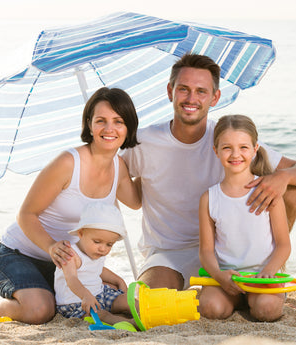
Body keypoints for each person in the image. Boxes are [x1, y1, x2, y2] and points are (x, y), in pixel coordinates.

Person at [0, 87, 141, 324]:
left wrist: (159, 159)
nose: (109, 128)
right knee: (40, 311)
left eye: (118, 121)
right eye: (101, 120)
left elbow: (136, 202)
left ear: (129, 127)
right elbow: (26, 214)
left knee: (107, 295)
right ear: (89, 124)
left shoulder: (119, 167)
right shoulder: (68, 163)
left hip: (65, 264)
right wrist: (51, 246)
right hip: (17, 255)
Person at [122, 53, 296, 291]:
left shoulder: (228, 139)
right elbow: (110, 178)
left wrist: (284, 176)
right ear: (170, 91)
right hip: (170, 252)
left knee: (291, 192)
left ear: (215, 97)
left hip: (229, 251)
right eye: (183, 89)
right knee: (150, 300)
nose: (191, 98)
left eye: (201, 91)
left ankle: (269, 269)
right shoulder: (144, 141)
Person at [198, 114, 291, 321]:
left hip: (263, 277)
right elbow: (205, 251)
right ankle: (237, 300)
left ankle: (253, 299)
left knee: (266, 311)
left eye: (243, 147)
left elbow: (284, 245)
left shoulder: (268, 192)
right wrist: (219, 276)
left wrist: (268, 272)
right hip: (226, 278)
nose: (235, 154)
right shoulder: (209, 198)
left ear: (255, 149)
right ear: (216, 151)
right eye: (227, 147)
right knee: (211, 309)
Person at [55, 202, 136, 327]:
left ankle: (145, 312)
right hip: (76, 302)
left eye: (109, 244)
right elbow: (71, 279)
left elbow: (98, 269)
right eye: (97, 241)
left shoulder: (95, 251)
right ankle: (130, 322)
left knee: (126, 301)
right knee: (103, 315)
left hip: (100, 294)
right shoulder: (71, 254)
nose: (103, 248)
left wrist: (118, 280)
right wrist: (86, 296)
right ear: (81, 233)